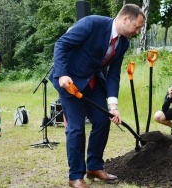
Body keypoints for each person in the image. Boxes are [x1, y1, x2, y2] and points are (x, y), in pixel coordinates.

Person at [49, 4, 145, 188]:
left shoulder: (123, 43)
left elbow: (113, 75)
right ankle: (75, 176)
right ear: (126, 19)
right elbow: (61, 44)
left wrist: (113, 106)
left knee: (102, 120)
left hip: (92, 82)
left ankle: (93, 167)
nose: (138, 31)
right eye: (137, 26)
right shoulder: (92, 23)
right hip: (70, 80)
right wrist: (61, 74)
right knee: (76, 128)